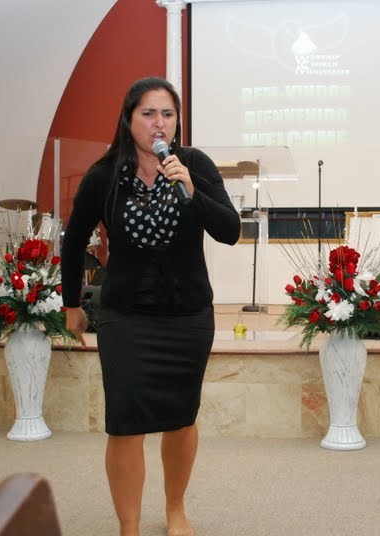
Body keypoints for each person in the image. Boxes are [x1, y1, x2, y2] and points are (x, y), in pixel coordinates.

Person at [60, 76, 240, 536]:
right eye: (148, 113)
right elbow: (74, 239)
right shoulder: (104, 174)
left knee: (181, 419)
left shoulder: (194, 165)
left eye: (168, 114)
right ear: (128, 119)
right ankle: (130, 526)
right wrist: (70, 302)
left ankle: (175, 509)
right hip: (126, 317)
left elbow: (229, 230)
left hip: (187, 316)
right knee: (125, 423)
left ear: (177, 122)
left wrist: (193, 191)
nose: (159, 123)